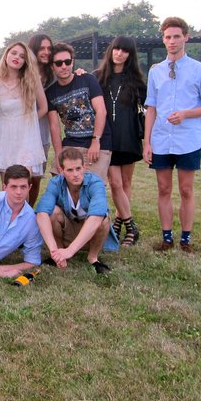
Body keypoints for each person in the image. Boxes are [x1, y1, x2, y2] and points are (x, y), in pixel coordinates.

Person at [144, 17, 201, 253]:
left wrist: (186, 114)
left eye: (176, 36)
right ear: (163, 39)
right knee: (163, 189)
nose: (172, 41)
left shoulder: (200, 70)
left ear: (186, 37)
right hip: (161, 139)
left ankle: (186, 239)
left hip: (188, 139)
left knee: (186, 189)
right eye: (168, 37)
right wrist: (147, 142)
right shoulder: (156, 72)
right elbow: (151, 108)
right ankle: (166, 238)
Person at [94, 36, 147, 246]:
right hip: (108, 138)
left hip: (129, 137)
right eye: (116, 49)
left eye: (124, 51)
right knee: (115, 183)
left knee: (125, 183)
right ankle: (130, 226)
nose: (119, 53)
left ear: (130, 55)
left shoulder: (137, 82)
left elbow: (147, 108)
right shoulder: (97, 77)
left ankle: (118, 221)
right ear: (111, 50)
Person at [35, 147, 113, 275]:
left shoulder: (95, 182)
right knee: (52, 212)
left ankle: (93, 257)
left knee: (103, 219)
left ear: (84, 167)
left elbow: (97, 216)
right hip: (68, 230)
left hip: (91, 234)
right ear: (61, 171)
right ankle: (59, 253)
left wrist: (70, 250)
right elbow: (41, 214)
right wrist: (54, 251)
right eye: (70, 170)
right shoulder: (55, 183)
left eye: (78, 168)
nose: (75, 174)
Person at [45, 43, 113, 181]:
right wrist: (58, 153)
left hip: (97, 140)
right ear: (52, 66)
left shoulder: (87, 79)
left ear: (72, 62)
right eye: (59, 63)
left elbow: (101, 110)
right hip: (71, 141)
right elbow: (54, 126)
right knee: (58, 178)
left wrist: (96, 141)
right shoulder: (51, 92)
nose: (64, 66)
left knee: (89, 184)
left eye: (67, 61)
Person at [0, 42, 47, 189]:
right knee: (8, 186)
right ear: (6, 55)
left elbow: (44, 108)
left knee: (23, 183)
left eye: (22, 56)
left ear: (25, 61)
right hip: (5, 141)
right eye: (14, 53)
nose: (17, 58)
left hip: (26, 141)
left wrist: (27, 122)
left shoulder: (32, 81)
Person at [28, 33, 55, 205]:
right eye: (42, 48)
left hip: (42, 134)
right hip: (22, 133)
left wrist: (80, 72)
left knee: (36, 178)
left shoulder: (54, 73)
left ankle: (28, 212)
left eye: (49, 48)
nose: (46, 52)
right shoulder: (24, 71)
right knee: (21, 177)